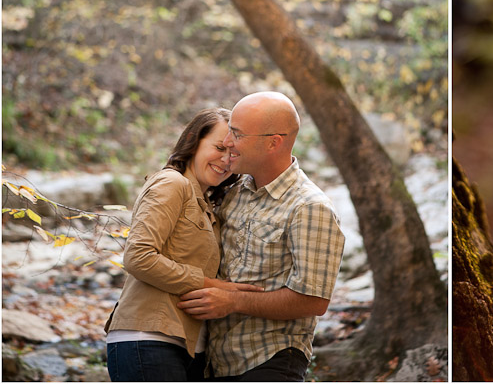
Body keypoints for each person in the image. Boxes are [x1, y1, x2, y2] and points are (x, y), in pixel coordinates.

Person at [178, 91, 345, 382]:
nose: (228, 142)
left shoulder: (309, 207)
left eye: (238, 134)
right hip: (216, 363)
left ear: (273, 143)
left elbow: (313, 300)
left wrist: (233, 302)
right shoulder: (232, 192)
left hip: (271, 361)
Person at [105, 108, 263, 382]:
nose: (226, 161)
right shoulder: (171, 183)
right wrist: (211, 286)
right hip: (148, 339)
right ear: (193, 141)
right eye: (218, 147)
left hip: (187, 346)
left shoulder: (206, 203)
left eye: (233, 154)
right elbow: (138, 257)